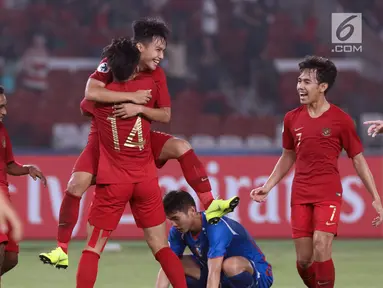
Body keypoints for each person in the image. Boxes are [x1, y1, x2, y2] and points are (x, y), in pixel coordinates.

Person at [39, 17, 239, 270]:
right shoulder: (112, 64)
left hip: (140, 137)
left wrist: (139, 108)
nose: (161, 56)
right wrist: (129, 96)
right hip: (104, 141)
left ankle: (210, 205)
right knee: (75, 185)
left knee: (181, 146)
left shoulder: (157, 75)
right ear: (140, 47)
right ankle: (62, 249)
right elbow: (90, 94)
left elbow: (165, 115)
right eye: (158, 50)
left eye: (164, 51)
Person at [250, 55, 383, 288]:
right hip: (300, 192)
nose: (300, 86)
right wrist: (268, 186)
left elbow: (358, 160)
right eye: (299, 81)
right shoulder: (291, 118)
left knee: (322, 245)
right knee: (303, 261)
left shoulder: (341, 120)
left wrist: (375, 198)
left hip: (328, 192)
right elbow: (288, 155)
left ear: (323, 87)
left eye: (307, 82)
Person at [75, 38, 187, 288]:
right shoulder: (145, 94)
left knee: (93, 248)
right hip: (145, 179)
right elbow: (165, 115)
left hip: (113, 180)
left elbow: (86, 101)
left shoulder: (99, 99)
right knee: (161, 247)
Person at [156, 190, 273, 288]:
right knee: (174, 264)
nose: (174, 224)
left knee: (231, 265)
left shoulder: (215, 226)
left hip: (259, 274)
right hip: (221, 275)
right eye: (170, 219)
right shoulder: (177, 231)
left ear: (192, 211)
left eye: (176, 218)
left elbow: (214, 271)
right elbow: (168, 267)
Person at [0, 85, 46, 283]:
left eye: (5, 106)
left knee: (11, 258)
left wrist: (27, 168)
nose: (5, 111)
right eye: (0, 107)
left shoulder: (2, 131)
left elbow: (8, 164)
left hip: (4, 197)